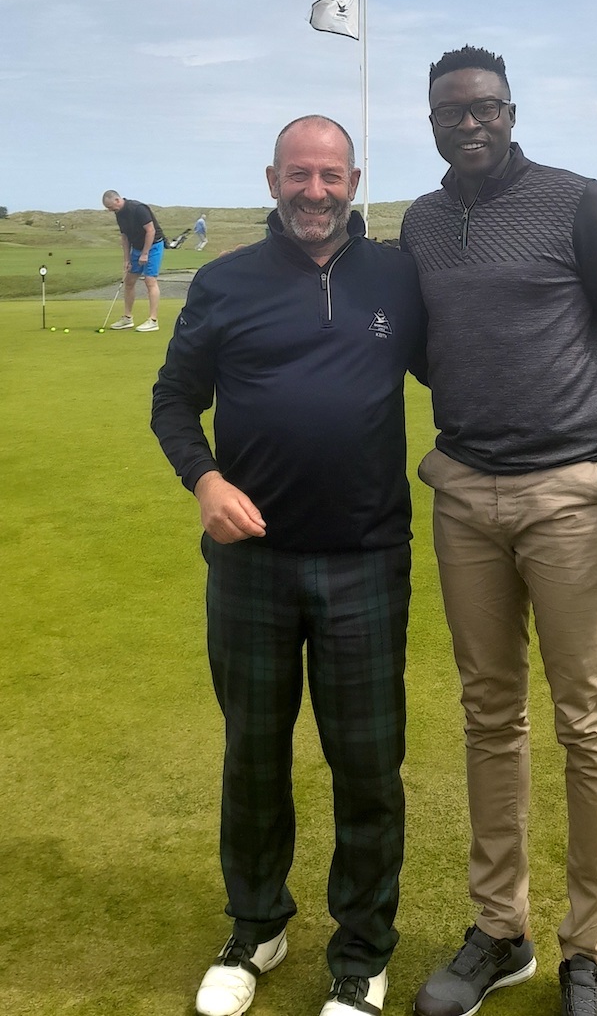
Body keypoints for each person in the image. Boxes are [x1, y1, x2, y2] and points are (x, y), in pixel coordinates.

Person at [400, 46, 597, 1016]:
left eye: (483, 107)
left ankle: (589, 949)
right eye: (450, 111)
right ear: (432, 122)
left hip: (568, 490)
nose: (467, 122)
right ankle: (499, 930)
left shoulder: (574, 200)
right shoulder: (423, 222)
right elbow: (432, 349)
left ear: (510, 112)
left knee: (586, 718)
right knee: (488, 713)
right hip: (462, 493)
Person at [151, 116, 426, 1016]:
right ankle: (257, 923)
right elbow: (173, 401)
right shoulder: (226, 281)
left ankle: (361, 952)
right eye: (299, 174)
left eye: (331, 175)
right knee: (254, 755)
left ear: (355, 180)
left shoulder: (394, 275)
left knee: (367, 764)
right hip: (253, 565)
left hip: (366, 559)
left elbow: (462, 367)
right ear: (272, 177)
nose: (316, 191)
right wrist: (205, 479)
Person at [101, 190, 164, 332]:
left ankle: (153, 320)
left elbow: (151, 231)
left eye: (111, 207)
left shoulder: (138, 209)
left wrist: (145, 253)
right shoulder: (119, 214)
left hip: (153, 246)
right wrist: (127, 259)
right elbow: (125, 237)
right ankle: (127, 318)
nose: (110, 210)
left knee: (150, 281)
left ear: (117, 200)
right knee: (129, 281)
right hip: (136, 247)